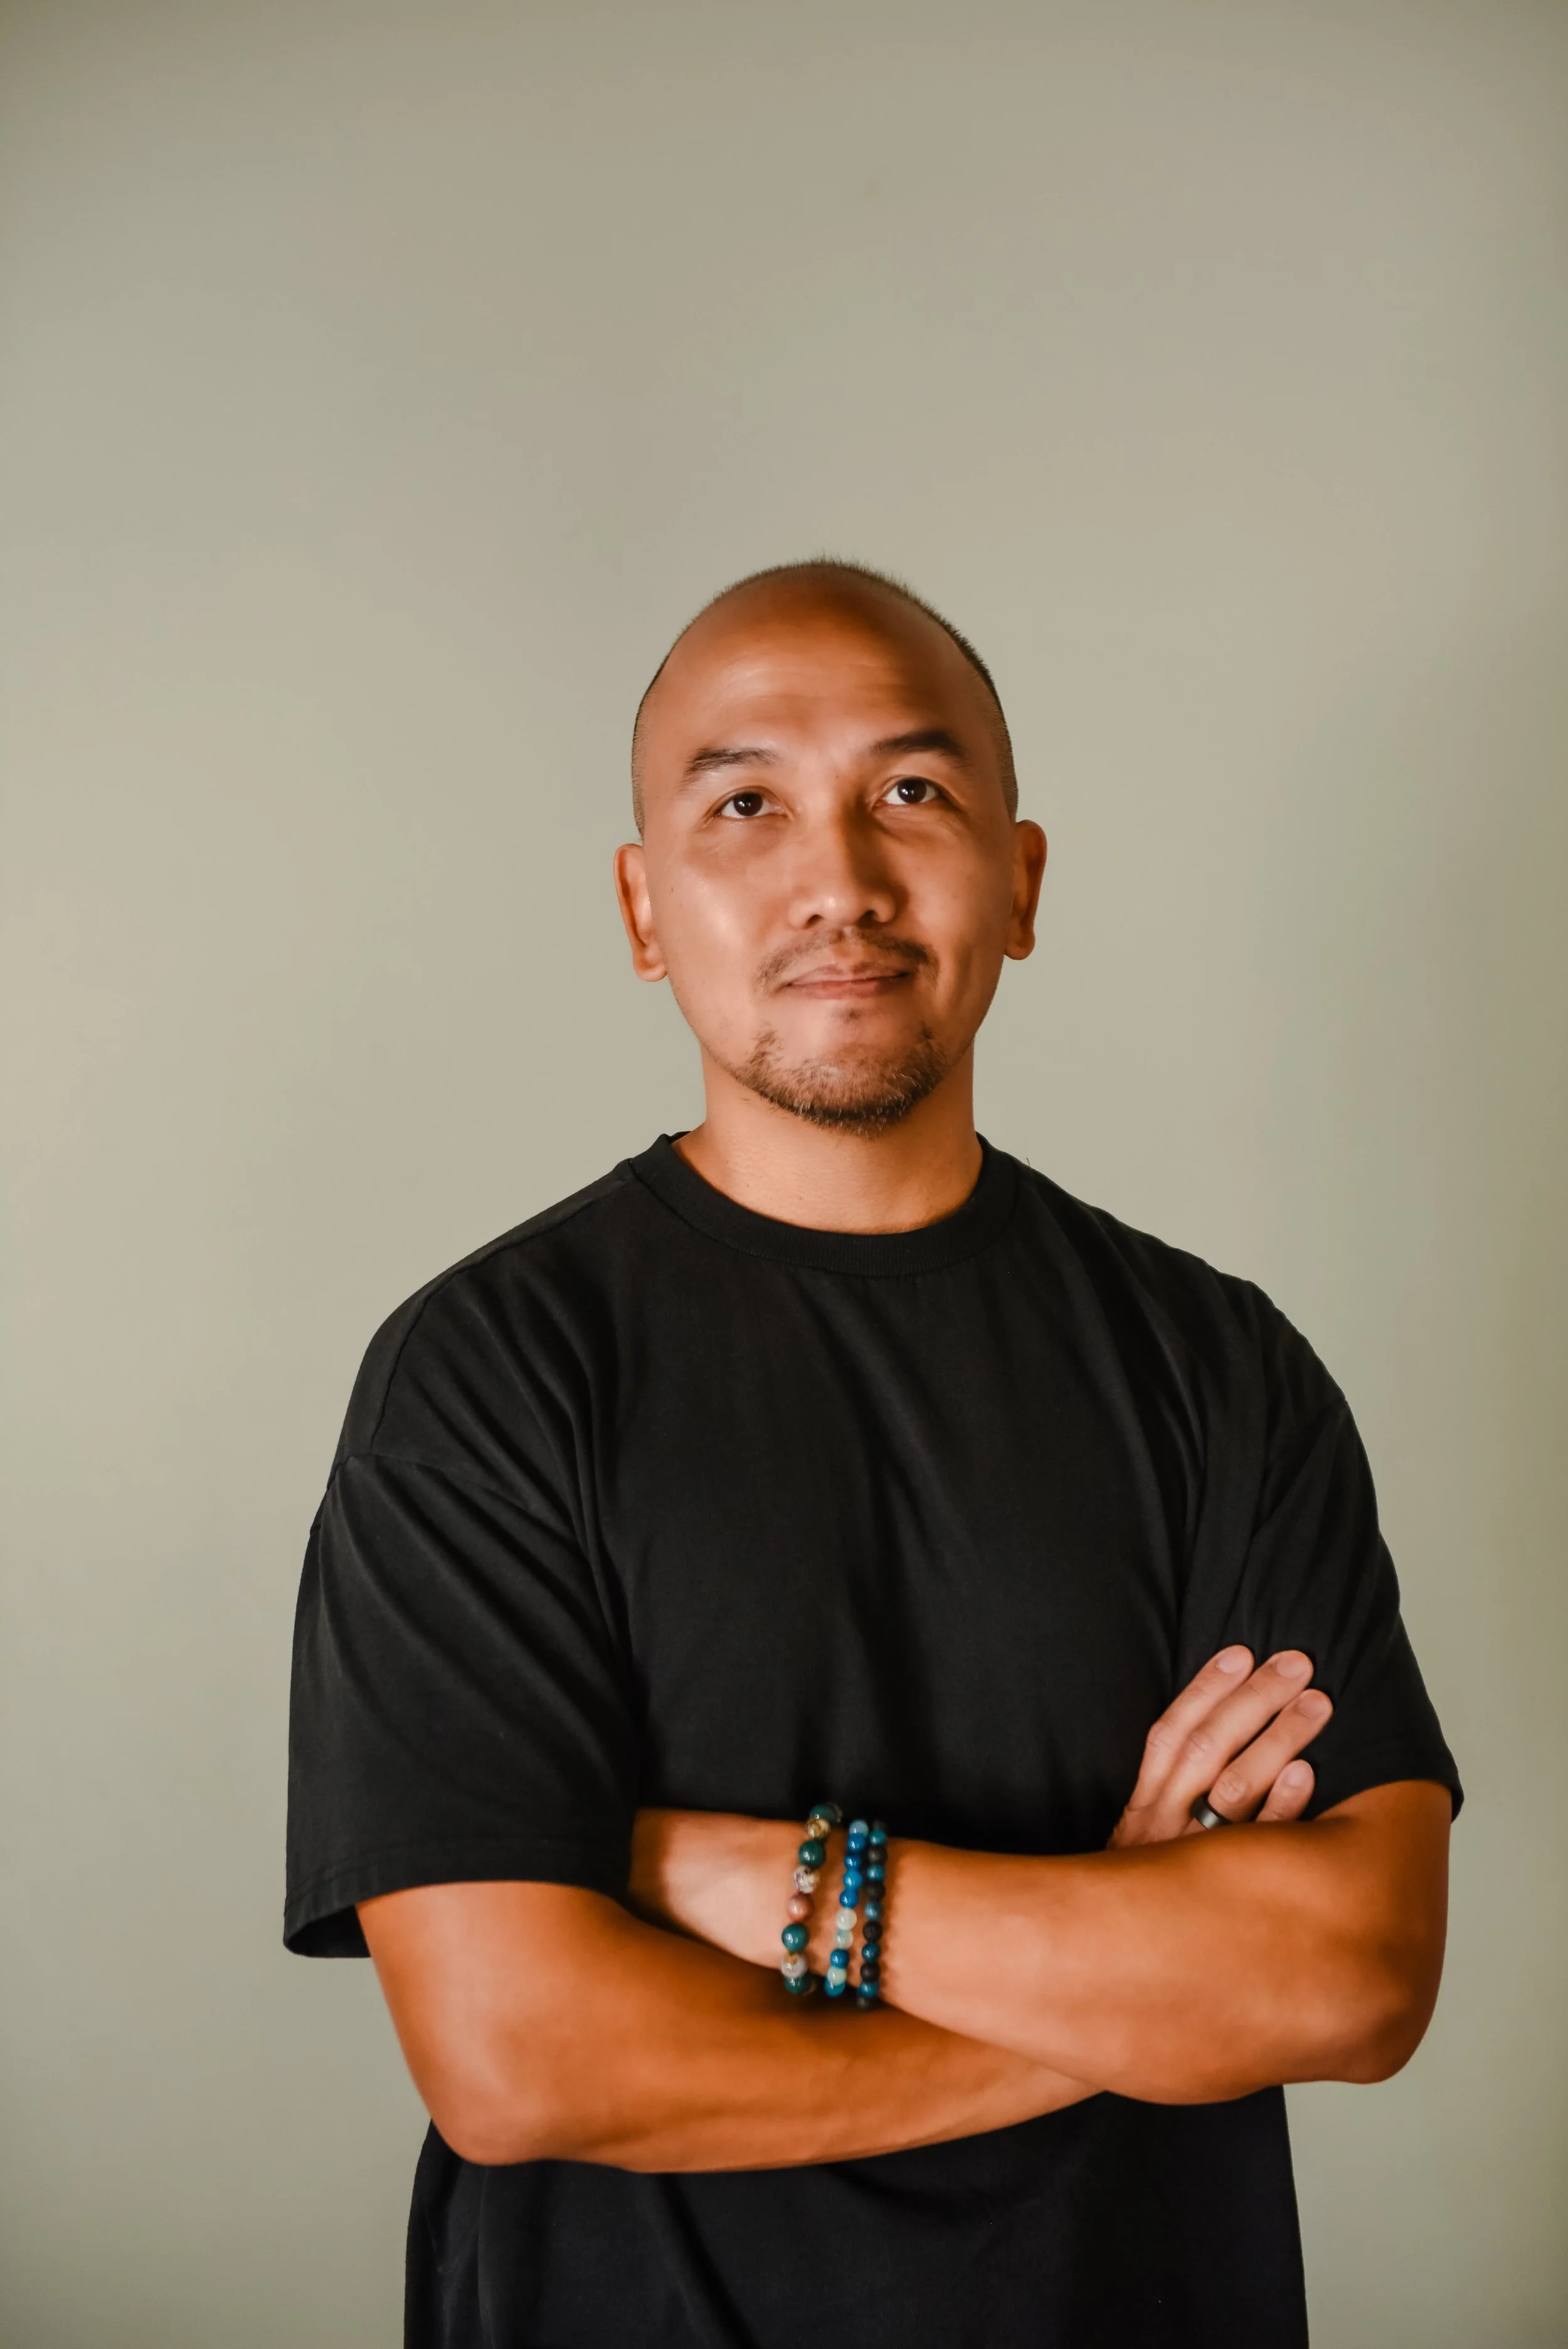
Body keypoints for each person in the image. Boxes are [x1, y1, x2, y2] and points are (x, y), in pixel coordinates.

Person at [285, 559, 1459, 2347]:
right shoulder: (486, 1375)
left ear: (1022, 880)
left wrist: (721, 1874)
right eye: (743, 804)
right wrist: (1120, 1989)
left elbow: (1352, 1977)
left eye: (911, 793)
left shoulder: (1220, 1368)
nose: (836, 878)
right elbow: (520, 2064)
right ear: (642, 907)